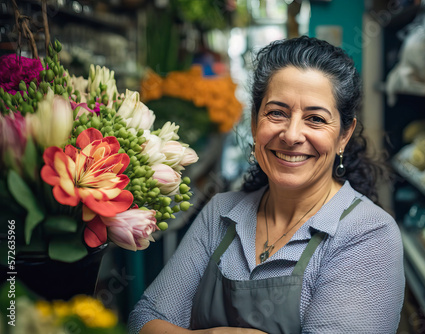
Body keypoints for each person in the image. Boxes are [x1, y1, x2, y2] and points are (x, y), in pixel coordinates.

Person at [128, 36, 405, 334]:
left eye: (315, 118)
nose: (291, 134)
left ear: (343, 135)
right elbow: (144, 318)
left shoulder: (368, 233)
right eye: (277, 113)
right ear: (254, 122)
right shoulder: (221, 212)